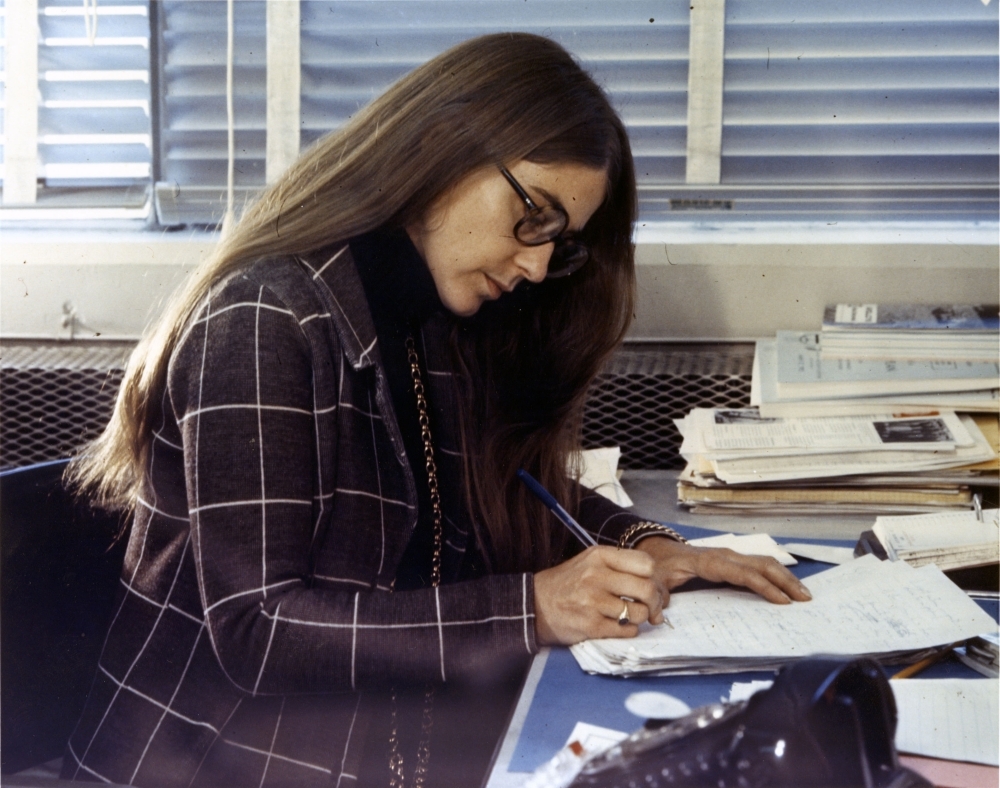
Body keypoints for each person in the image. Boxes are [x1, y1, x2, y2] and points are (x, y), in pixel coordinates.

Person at [62, 33, 810, 788]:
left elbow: (506, 484)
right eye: (534, 215)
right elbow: (259, 630)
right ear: (441, 149)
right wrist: (535, 608)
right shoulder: (266, 316)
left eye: (560, 242)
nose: (538, 265)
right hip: (214, 766)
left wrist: (648, 542)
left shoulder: (430, 309)